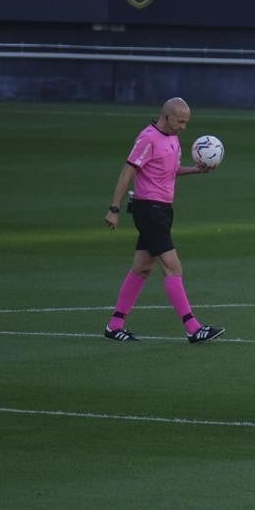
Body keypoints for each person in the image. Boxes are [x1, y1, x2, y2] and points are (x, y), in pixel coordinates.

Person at [102, 97, 224, 344]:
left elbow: (169, 170)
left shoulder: (173, 138)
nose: (183, 127)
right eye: (180, 121)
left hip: (163, 210)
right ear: (166, 116)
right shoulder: (147, 138)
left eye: (186, 122)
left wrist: (194, 170)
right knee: (172, 266)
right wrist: (113, 209)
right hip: (149, 210)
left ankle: (114, 325)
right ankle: (193, 327)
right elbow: (128, 171)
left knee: (142, 268)